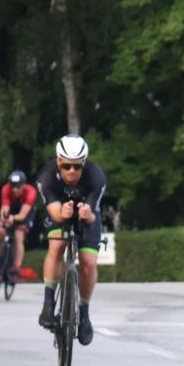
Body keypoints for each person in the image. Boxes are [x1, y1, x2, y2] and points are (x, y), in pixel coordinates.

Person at [36, 135, 107, 346]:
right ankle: (48, 304)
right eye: (66, 166)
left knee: (89, 263)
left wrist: (87, 214)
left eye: (77, 166)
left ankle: (84, 313)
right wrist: (63, 213)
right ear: (58, 161)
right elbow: (54, 214)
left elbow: (92, 216)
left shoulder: (96, 177)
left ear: (84, 163)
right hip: (59, 213)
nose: (72, 171)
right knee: (57, 245)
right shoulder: (46, 176)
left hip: (87, 215)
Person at [0, 170, 37, 280]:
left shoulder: (31, 192)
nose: (14, 189)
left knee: (19, 235)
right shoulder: (6, 189)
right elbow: (5, 208)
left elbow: (22, 216)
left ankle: (16, 267)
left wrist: (13, 218)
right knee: (0, 230)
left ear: (23, 185)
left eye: (18, 187)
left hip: (25, 213)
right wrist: (4, 218)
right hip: (12, 209)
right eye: (12, 186)